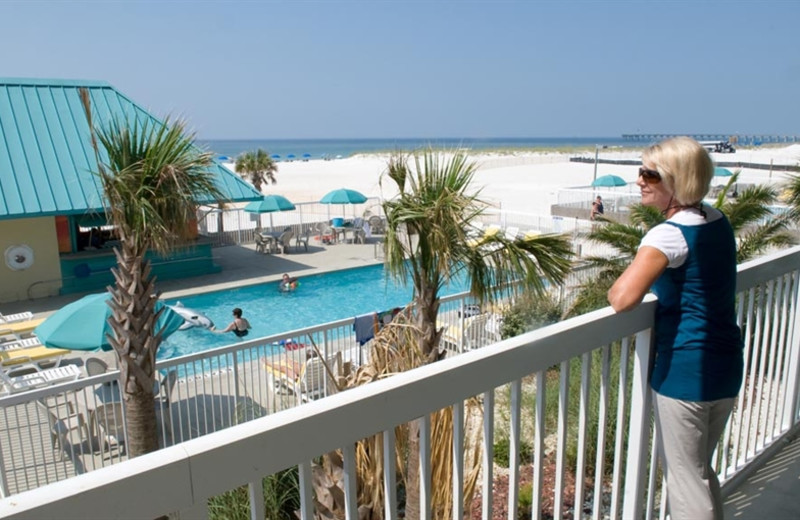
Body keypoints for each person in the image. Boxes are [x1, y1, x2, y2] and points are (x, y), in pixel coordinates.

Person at [607, 137, 742, 520]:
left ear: (675, 181)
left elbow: (621, 297)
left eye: (650, 174)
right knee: (698, 473)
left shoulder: (668, 234)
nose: (639, 181)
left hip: (685, 373)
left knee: (685, 482)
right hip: (725, 366)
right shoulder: (717, 220)